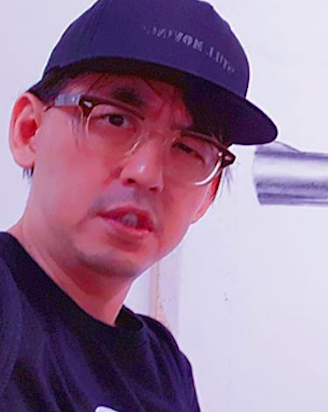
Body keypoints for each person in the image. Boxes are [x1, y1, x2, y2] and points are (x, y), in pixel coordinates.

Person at [0, 0, 277, 410]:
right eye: (115, 119)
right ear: (30, 131)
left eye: (188, 147)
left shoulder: (166, 369)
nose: (147, 173)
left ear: (208, 195)